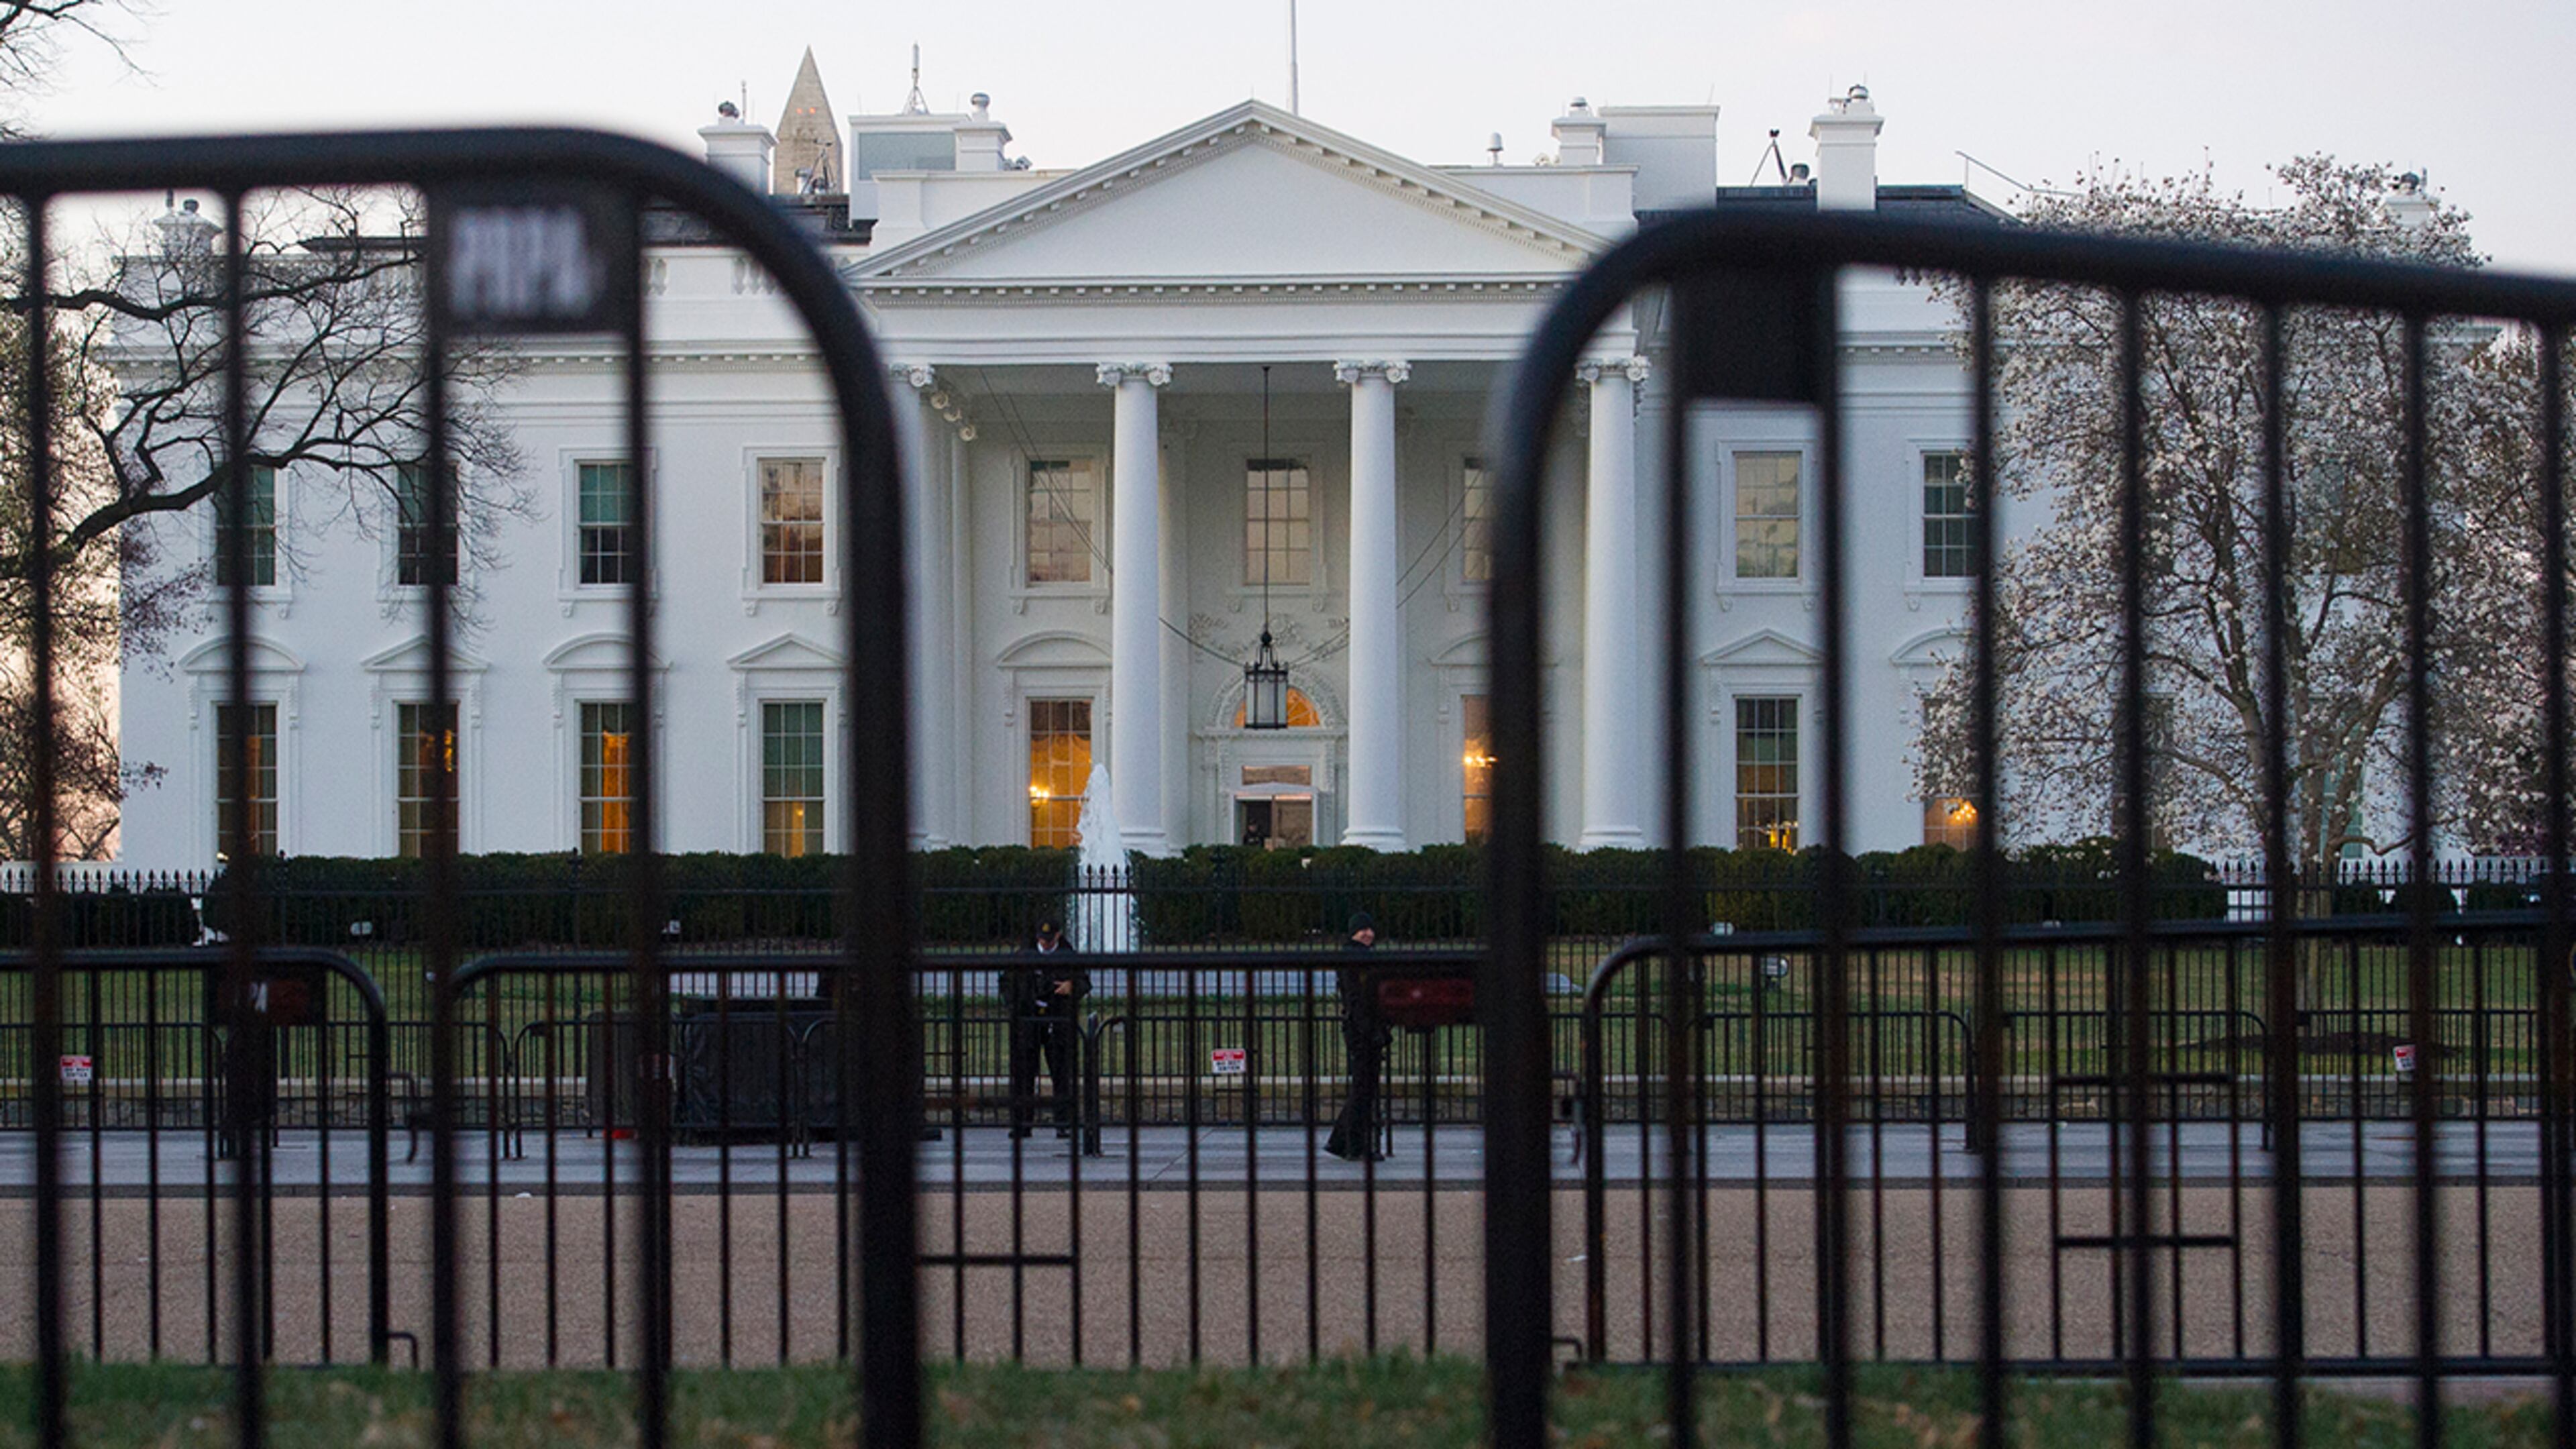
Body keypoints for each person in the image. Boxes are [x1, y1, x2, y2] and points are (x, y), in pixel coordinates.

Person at [1007, 919, 1089, 1138]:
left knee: (1062, 1071)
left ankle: (1063, 1123)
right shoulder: (1023, 955)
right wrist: (1019, 1004)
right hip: (1029, 1020)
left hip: (1059, 1019)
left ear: (1058, 936)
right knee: (1024, 1072)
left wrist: (1071, 986)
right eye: (1041, 939)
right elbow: (1007, 984)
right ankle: (1023, 1123)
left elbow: (1085, 982)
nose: (1044, 943)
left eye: (1049, 940)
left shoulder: (1069, 955)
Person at [1325, 910, 1390, 1162]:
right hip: (1364, 1030)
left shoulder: (1354, 956)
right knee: (1364, 1090)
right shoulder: (1358, 957)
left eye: (1370, 930)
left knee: (1362, 1089)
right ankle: (1354, 1145)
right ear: (1353, 933)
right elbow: (1359, 999)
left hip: (1362, 1029)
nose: (1368, 934)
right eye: (1362, 930)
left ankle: (1341, 1141)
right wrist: (1372, 1030)